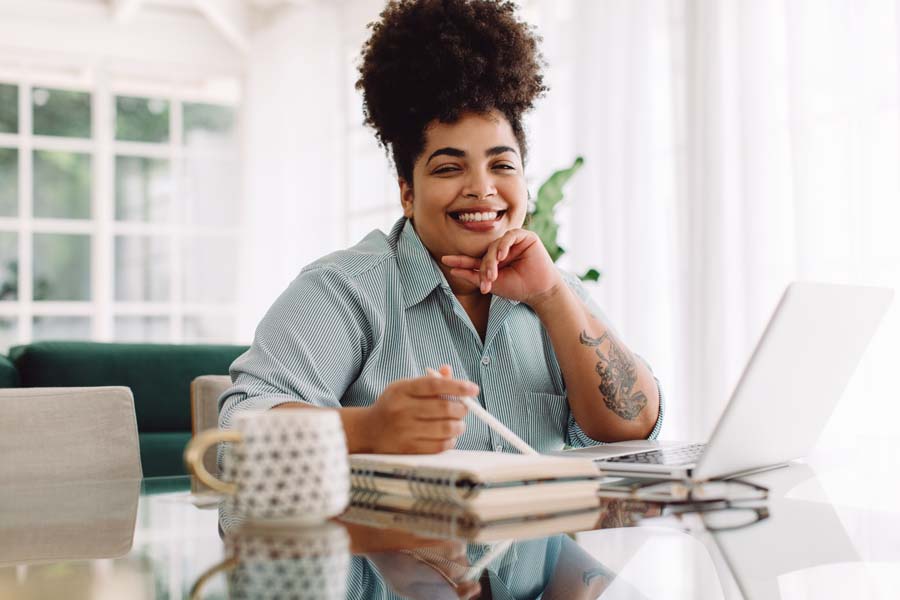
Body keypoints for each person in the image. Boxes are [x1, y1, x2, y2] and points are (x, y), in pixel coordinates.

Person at [219, 0, 663, 454]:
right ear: (407, 192)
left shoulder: (555, 290)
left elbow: (636, 428)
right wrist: (367, 429)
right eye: (450, 168)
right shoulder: (343, 292)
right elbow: (233, 436)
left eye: (502, 165)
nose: (482, 188)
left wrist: (550, 297)